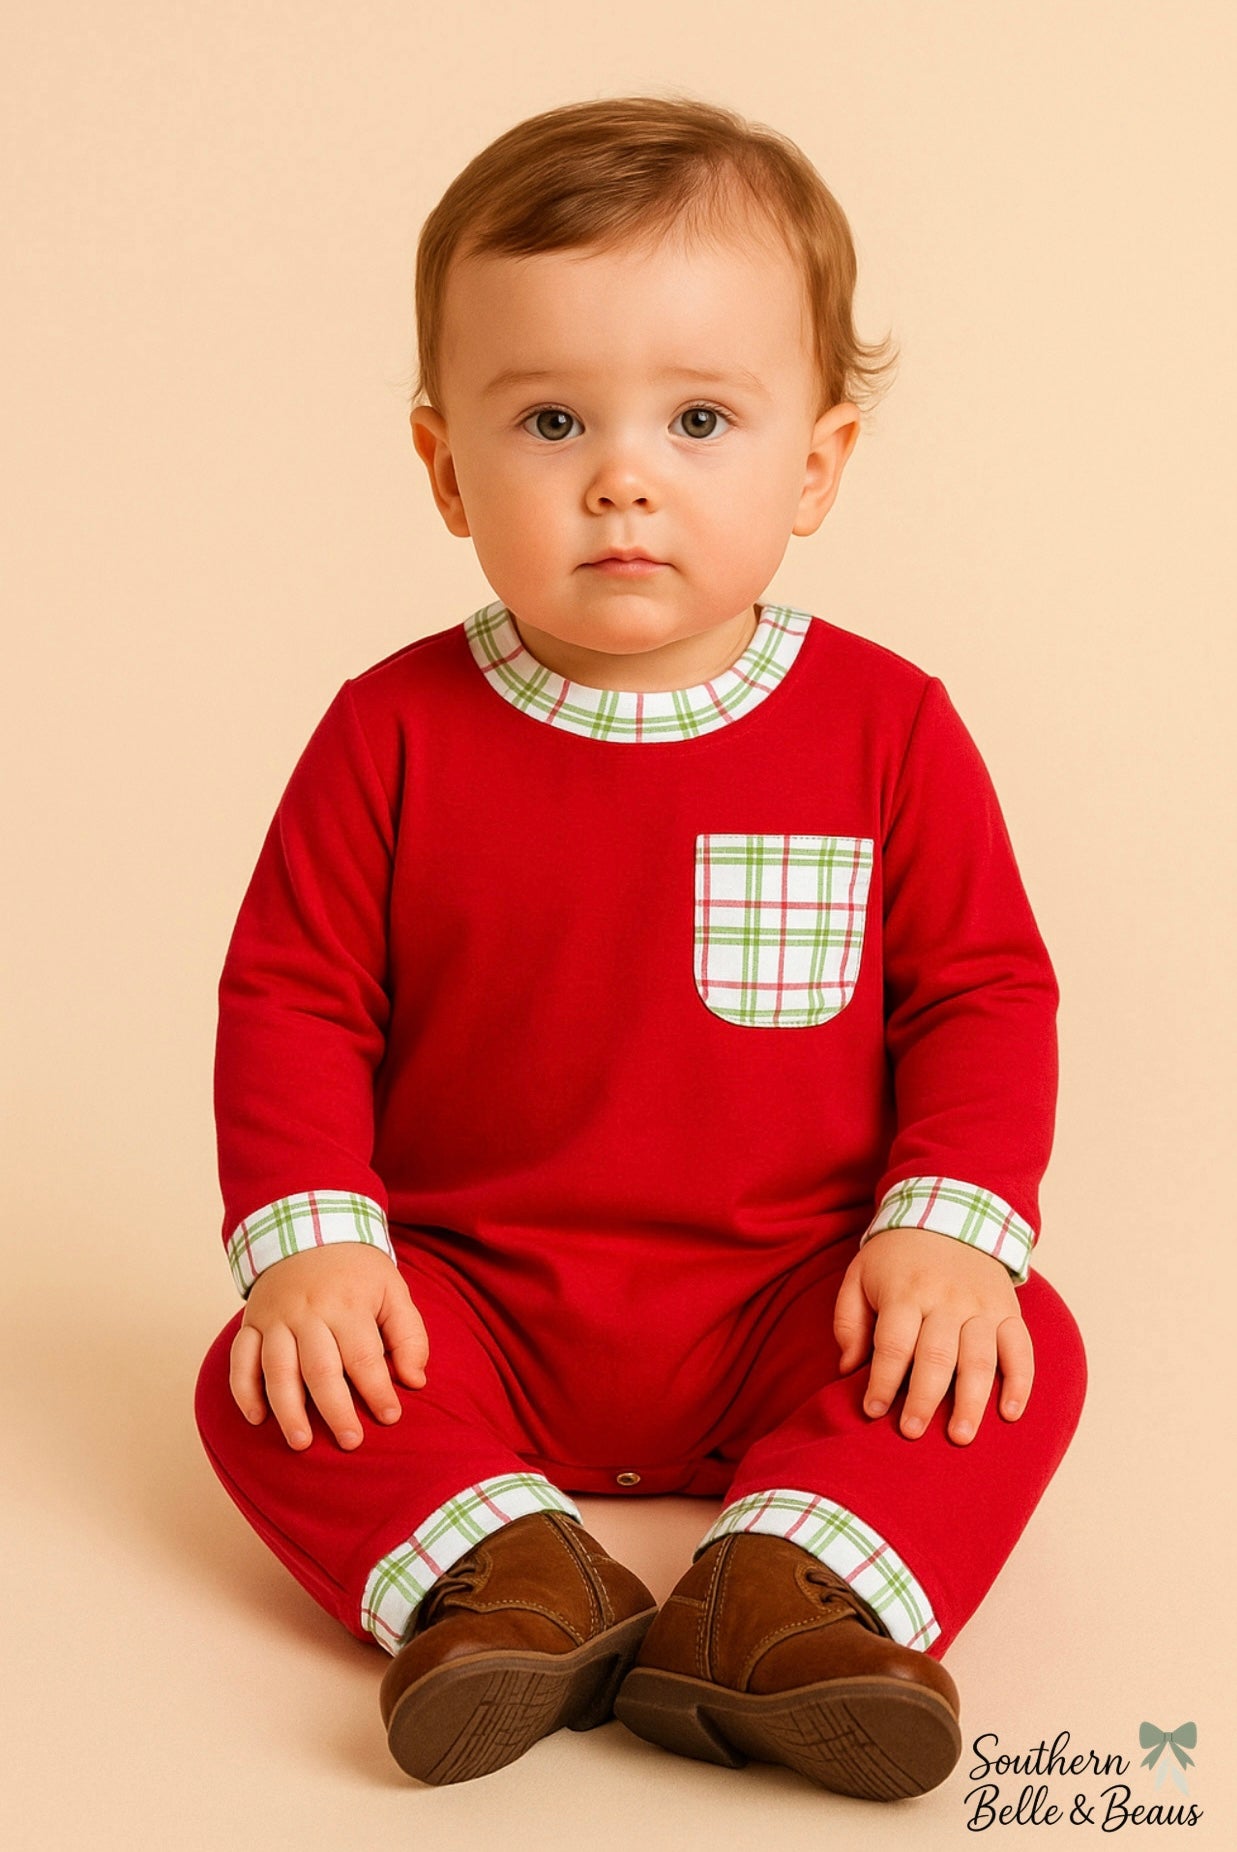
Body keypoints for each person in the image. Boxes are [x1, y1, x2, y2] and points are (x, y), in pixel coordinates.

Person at [194, 93, 1087, 1802]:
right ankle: (517, 1577)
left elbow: (979, 993)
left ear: (811, 463)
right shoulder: (389, 734)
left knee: (1010, 1350)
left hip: (791, 1292)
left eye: (696, 419)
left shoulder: (883, 729)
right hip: (467, 1295)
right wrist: (312, 1248)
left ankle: (781, 1599)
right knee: (261, 1385)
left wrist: (944, 1227)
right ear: (445, 467)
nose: (621, 476)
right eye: (547, 419)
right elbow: (293, 1000)